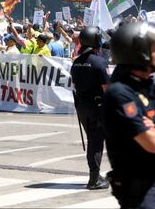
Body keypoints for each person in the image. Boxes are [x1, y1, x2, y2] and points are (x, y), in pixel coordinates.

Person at [102, 21, 155, 208]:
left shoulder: (153, 89)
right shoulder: (120, 93)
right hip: (143, 195)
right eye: (153, 48)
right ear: (137, 51)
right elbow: (154, 143)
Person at [70, 26, 109, 190]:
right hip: (97, 106)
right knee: (96, 142)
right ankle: (94, 179)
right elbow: (107, 88)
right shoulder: (99, 62)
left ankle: (95, 175)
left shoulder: (76, 62)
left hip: (82, 107)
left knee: (92, 140)